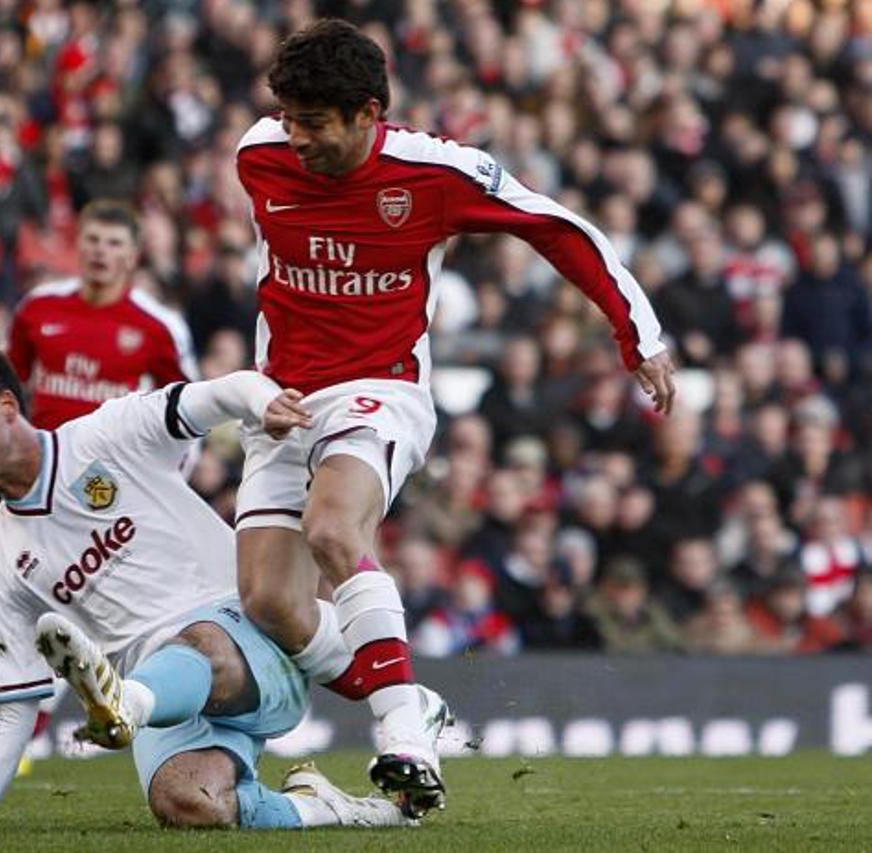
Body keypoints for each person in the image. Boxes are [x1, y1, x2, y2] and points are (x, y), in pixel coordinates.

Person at [232, 19, 676, 813]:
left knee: (334, 529)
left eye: (315, 122)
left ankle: (399, 731)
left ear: (369, 113)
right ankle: (412, 697)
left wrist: (634, 331)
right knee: (271, 600)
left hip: (380, 387)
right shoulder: (256, 155)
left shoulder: (434, 171)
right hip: (281, 401)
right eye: (289, 117)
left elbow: (557, 228)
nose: (294, 136)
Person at [0, 339, 427, 831]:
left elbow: (223, 391)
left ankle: (125, 705)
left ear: (7, 407)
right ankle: (327, 808)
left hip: (246, 635)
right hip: (161, 690)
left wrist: (263, 400)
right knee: (187, 803)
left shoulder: (105, 435)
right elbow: (12, 708)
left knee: (199, 642)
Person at [6, 200, 198, 430]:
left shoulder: (160, 325)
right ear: (77, 245)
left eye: (114, 243)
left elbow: (189, 411)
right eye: (93, 239)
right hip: (47, 456)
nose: (101, 251)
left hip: (116, 462)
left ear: (133, 256)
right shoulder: (37, 306)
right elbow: (7, 386)